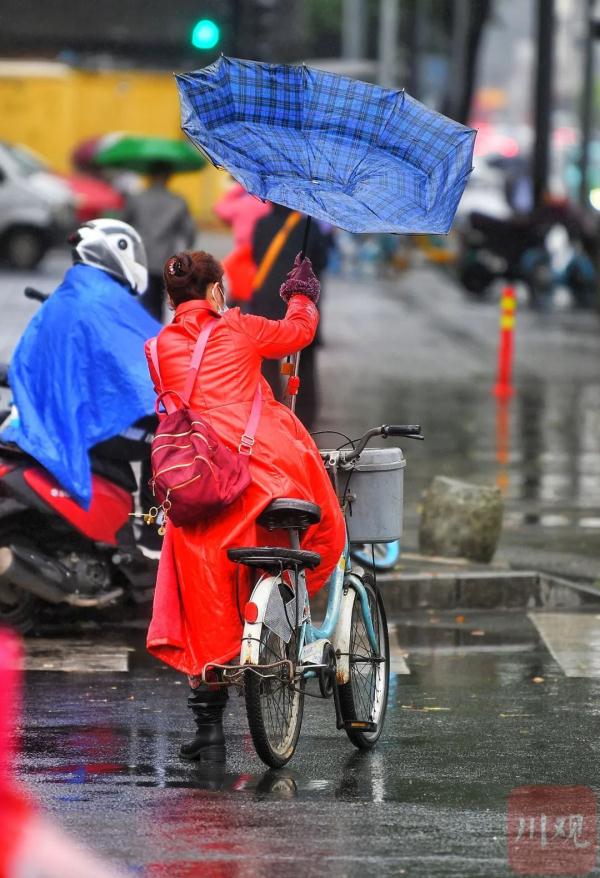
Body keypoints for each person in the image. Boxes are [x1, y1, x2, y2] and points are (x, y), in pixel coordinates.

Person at [145, 249, 346, 762]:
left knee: (201, 605)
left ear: (173, 299)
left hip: (197, 488)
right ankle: (285, 631)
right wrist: (301, 294)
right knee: (308, 543)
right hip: (263, 480)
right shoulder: (239, 328)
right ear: (216, 292)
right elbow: (297, 334)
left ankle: (208, 731)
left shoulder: (160, 347)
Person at [1, 219, 161, 538]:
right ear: (118, 252)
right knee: (168, 435)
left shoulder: (72, 292)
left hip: (46, 411)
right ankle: (152, 533)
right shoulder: (107, 300)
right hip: (84, 421)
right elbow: (150, 364)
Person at [249, 204, 332, 429]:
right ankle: (303, 421)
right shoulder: (310, 227)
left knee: (266, 364)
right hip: (299, 305)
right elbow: (322, 262)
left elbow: (256, 256)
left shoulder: (261, 224)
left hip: (266, 302)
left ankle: (269, 415)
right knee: (303, 364)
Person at [124, 161, 197, 321]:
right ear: (169, 177)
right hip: (164, 260)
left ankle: (141, 336)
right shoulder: (178, 202)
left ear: (149, 176)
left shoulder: (137, 199)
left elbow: (124, 225)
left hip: (139, 258)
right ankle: (155, 338)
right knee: (158, 304)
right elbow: (189, 232)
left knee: (141, 302)